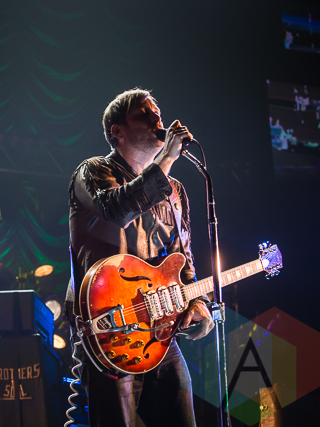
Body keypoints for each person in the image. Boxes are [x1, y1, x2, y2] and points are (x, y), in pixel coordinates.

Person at [65, 88, 213, 427]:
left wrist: (197, 301)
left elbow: (183, 258)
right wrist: (167, 160)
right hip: (110, 328)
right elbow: (116, 210)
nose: (156, 118)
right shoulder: (92, 172)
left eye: (157, 112)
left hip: (160, 330)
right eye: (143, 113)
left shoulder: (175, 191)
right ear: (117, 130)